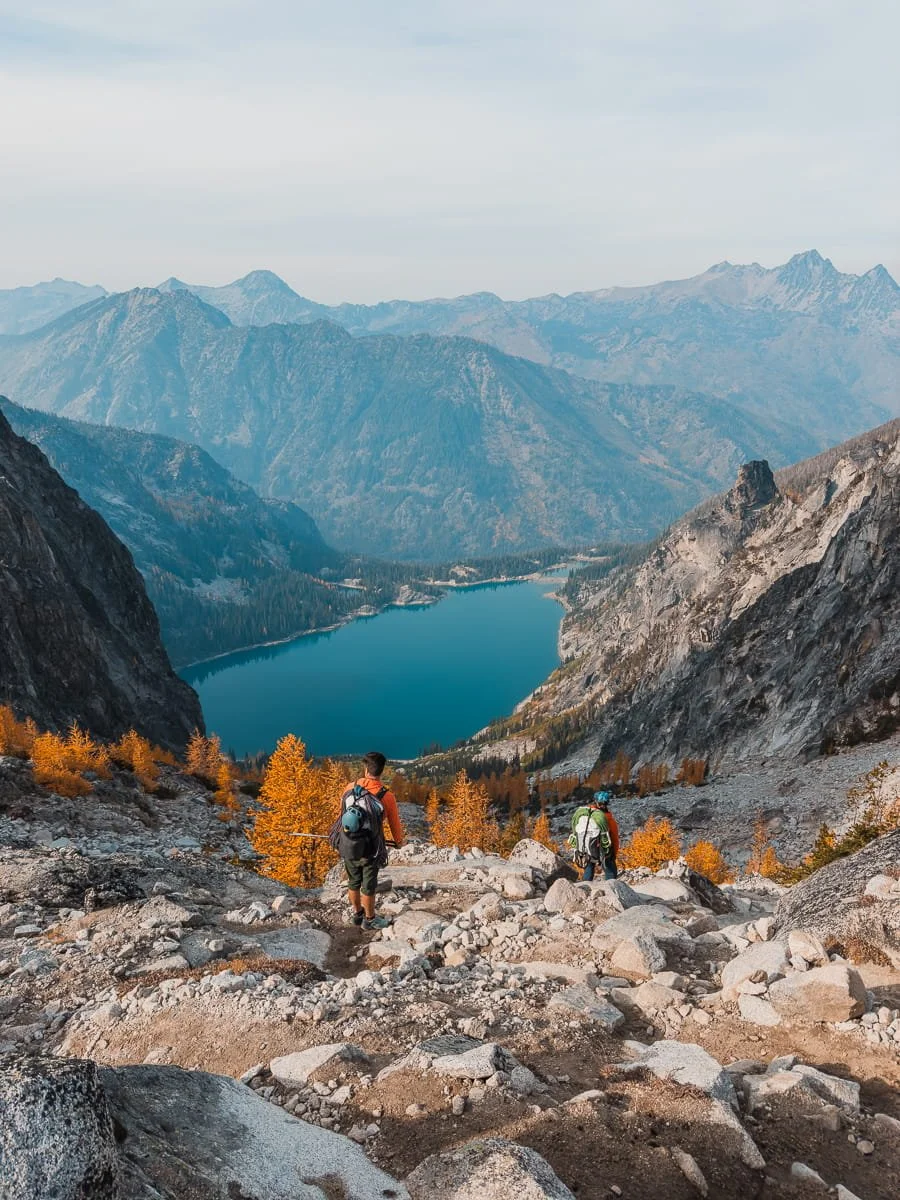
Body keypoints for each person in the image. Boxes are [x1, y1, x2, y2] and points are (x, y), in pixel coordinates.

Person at [337, 751, 405, 931]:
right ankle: (370, 919)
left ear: (366, 769)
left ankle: (357, 914)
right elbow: (394, 824)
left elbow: (342, 811)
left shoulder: (349, 787)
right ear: (381, 771)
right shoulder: (386, 796)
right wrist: (398, 841)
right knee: (368, 885)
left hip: (349, 842)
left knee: (353, 881)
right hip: (371, 847)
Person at [569, 791, 619, 881]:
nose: (603, 805)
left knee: (588, 869)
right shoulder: (608, 819)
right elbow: (614, 839)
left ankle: (585, 889)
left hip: (585, 847)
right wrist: (614, 854)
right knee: (610, 869)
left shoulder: (584, 814)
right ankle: (613, 889)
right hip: (602, 849)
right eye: (603, 803)